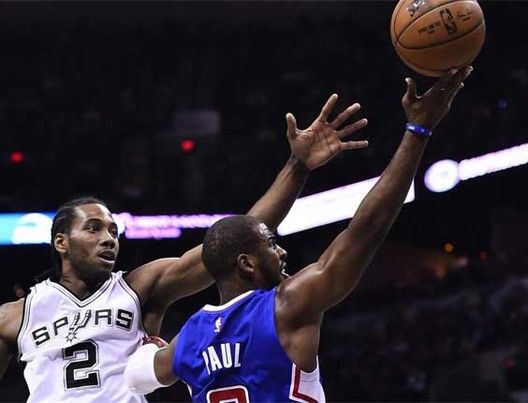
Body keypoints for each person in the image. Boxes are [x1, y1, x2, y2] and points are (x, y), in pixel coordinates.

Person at [124, 67, 472, 401]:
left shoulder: (188, 340)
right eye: (271, 244)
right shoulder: (285, 305)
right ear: (246, 263)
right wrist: (418, 130)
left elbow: (134, 376)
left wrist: (152, 344)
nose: (282, 253)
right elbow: (367, 229)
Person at [0, 94, 369, 402]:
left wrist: (297, 166)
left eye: (113, 230)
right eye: (93, 229)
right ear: (61, 242)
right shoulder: (15, 315)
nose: (109, 238)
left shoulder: (138, 288)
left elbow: (239, 237)